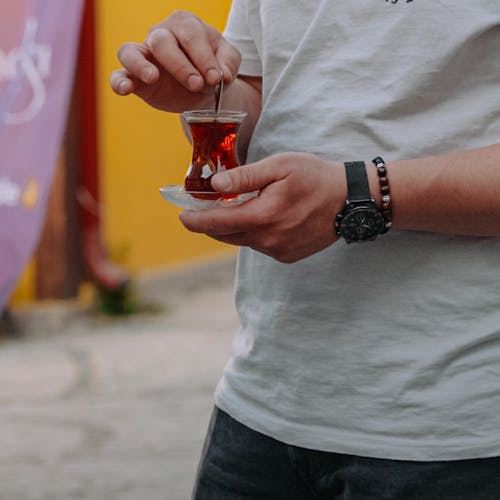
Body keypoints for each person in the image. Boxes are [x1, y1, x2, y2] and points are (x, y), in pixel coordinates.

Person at [110, 2, 500, 498]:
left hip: (455, 431)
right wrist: (203, 91)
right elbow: (262, 91)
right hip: (263, 402)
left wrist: (358, 193)